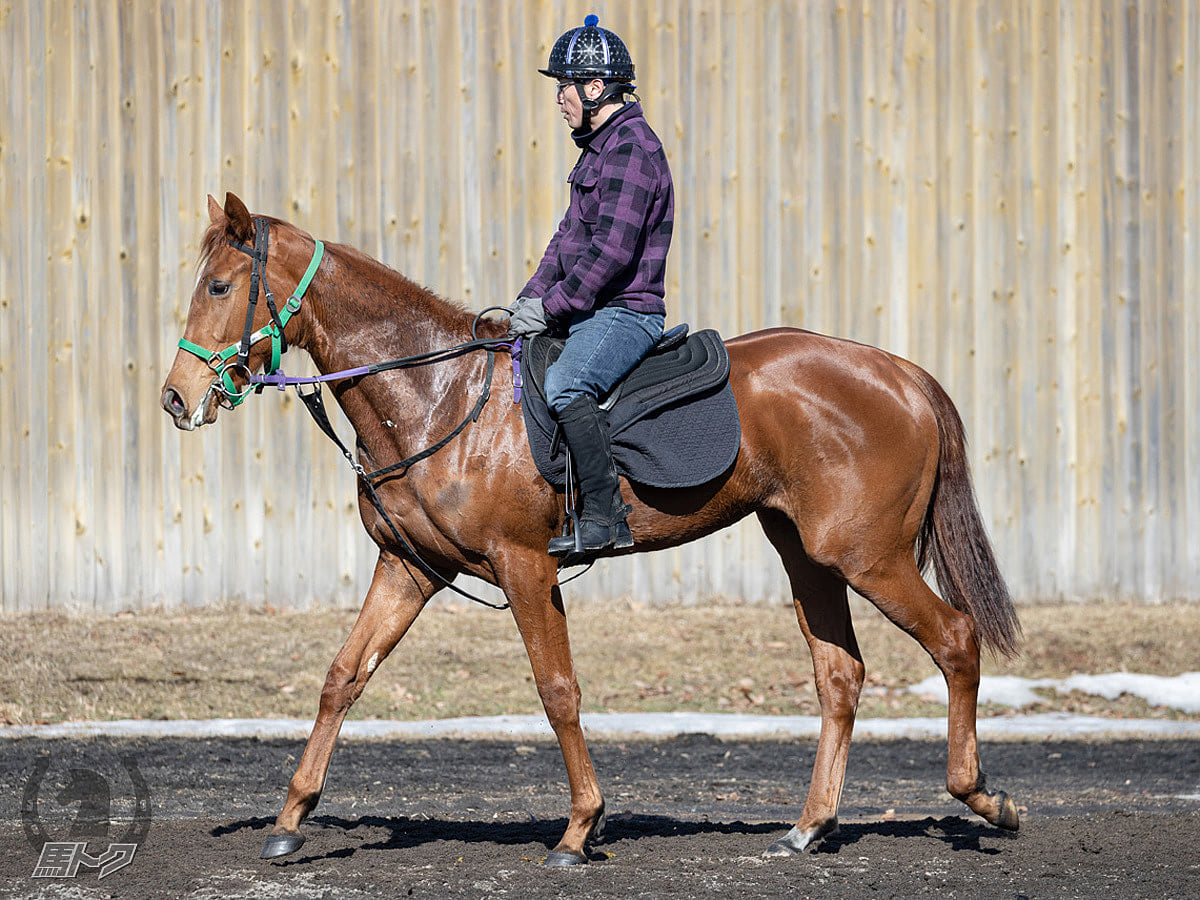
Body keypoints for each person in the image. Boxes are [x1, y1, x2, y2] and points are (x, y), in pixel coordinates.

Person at [508, 14, 675, 559]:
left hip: (627, 312)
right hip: (594, 310)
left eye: (564, 87)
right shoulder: (599, 150)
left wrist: (553, 308)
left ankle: (605, 518)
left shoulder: (632, 150)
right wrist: (530, 298)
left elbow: (611, 253)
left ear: (595, 87)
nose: (559, 98)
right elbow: (567, 238)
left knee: (566, 385)